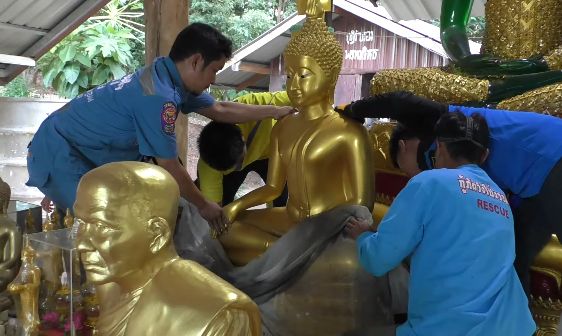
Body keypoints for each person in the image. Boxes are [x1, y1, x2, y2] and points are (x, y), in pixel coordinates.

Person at [26, 22, 293, 232]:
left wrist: (276, 111)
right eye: (214, 70)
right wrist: (203, 206)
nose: (213, 79)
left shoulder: (169, 79)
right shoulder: (159, 97)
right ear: (196, 61)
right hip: (60, 152)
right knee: (101, 229)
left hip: (78, 150)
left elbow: (220, 110)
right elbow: (169, 165)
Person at [341, 91, 562, 293]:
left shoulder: (444, 123)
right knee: (515, 256)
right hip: (531, 186)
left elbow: (397, 101)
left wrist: (353, 110)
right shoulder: (460, 175)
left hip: (551, 156)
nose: (412, 177)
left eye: (406, 171)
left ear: (403, 146)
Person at [345, 112, 536, 336]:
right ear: (484, 155)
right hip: (515, 327)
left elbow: (377, 260)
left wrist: (363, 236)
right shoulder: (499, 196)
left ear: (439, 147)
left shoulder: (428, 183)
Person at [74, 161, 261, 336]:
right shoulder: (111, 284)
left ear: (157, 234)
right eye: (80, 223)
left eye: (101, 226)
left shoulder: (217, 316)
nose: (81, 243)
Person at [197, 91, 290, 207]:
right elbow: (215, 207)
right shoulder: (209, 165)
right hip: (232, 158)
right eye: (234, 167)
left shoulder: (259, 103)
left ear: (243, 138)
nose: (239, 166)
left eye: (240, 161)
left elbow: (305, 93)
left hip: (268, 153)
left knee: (280, 198)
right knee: (225, 203)